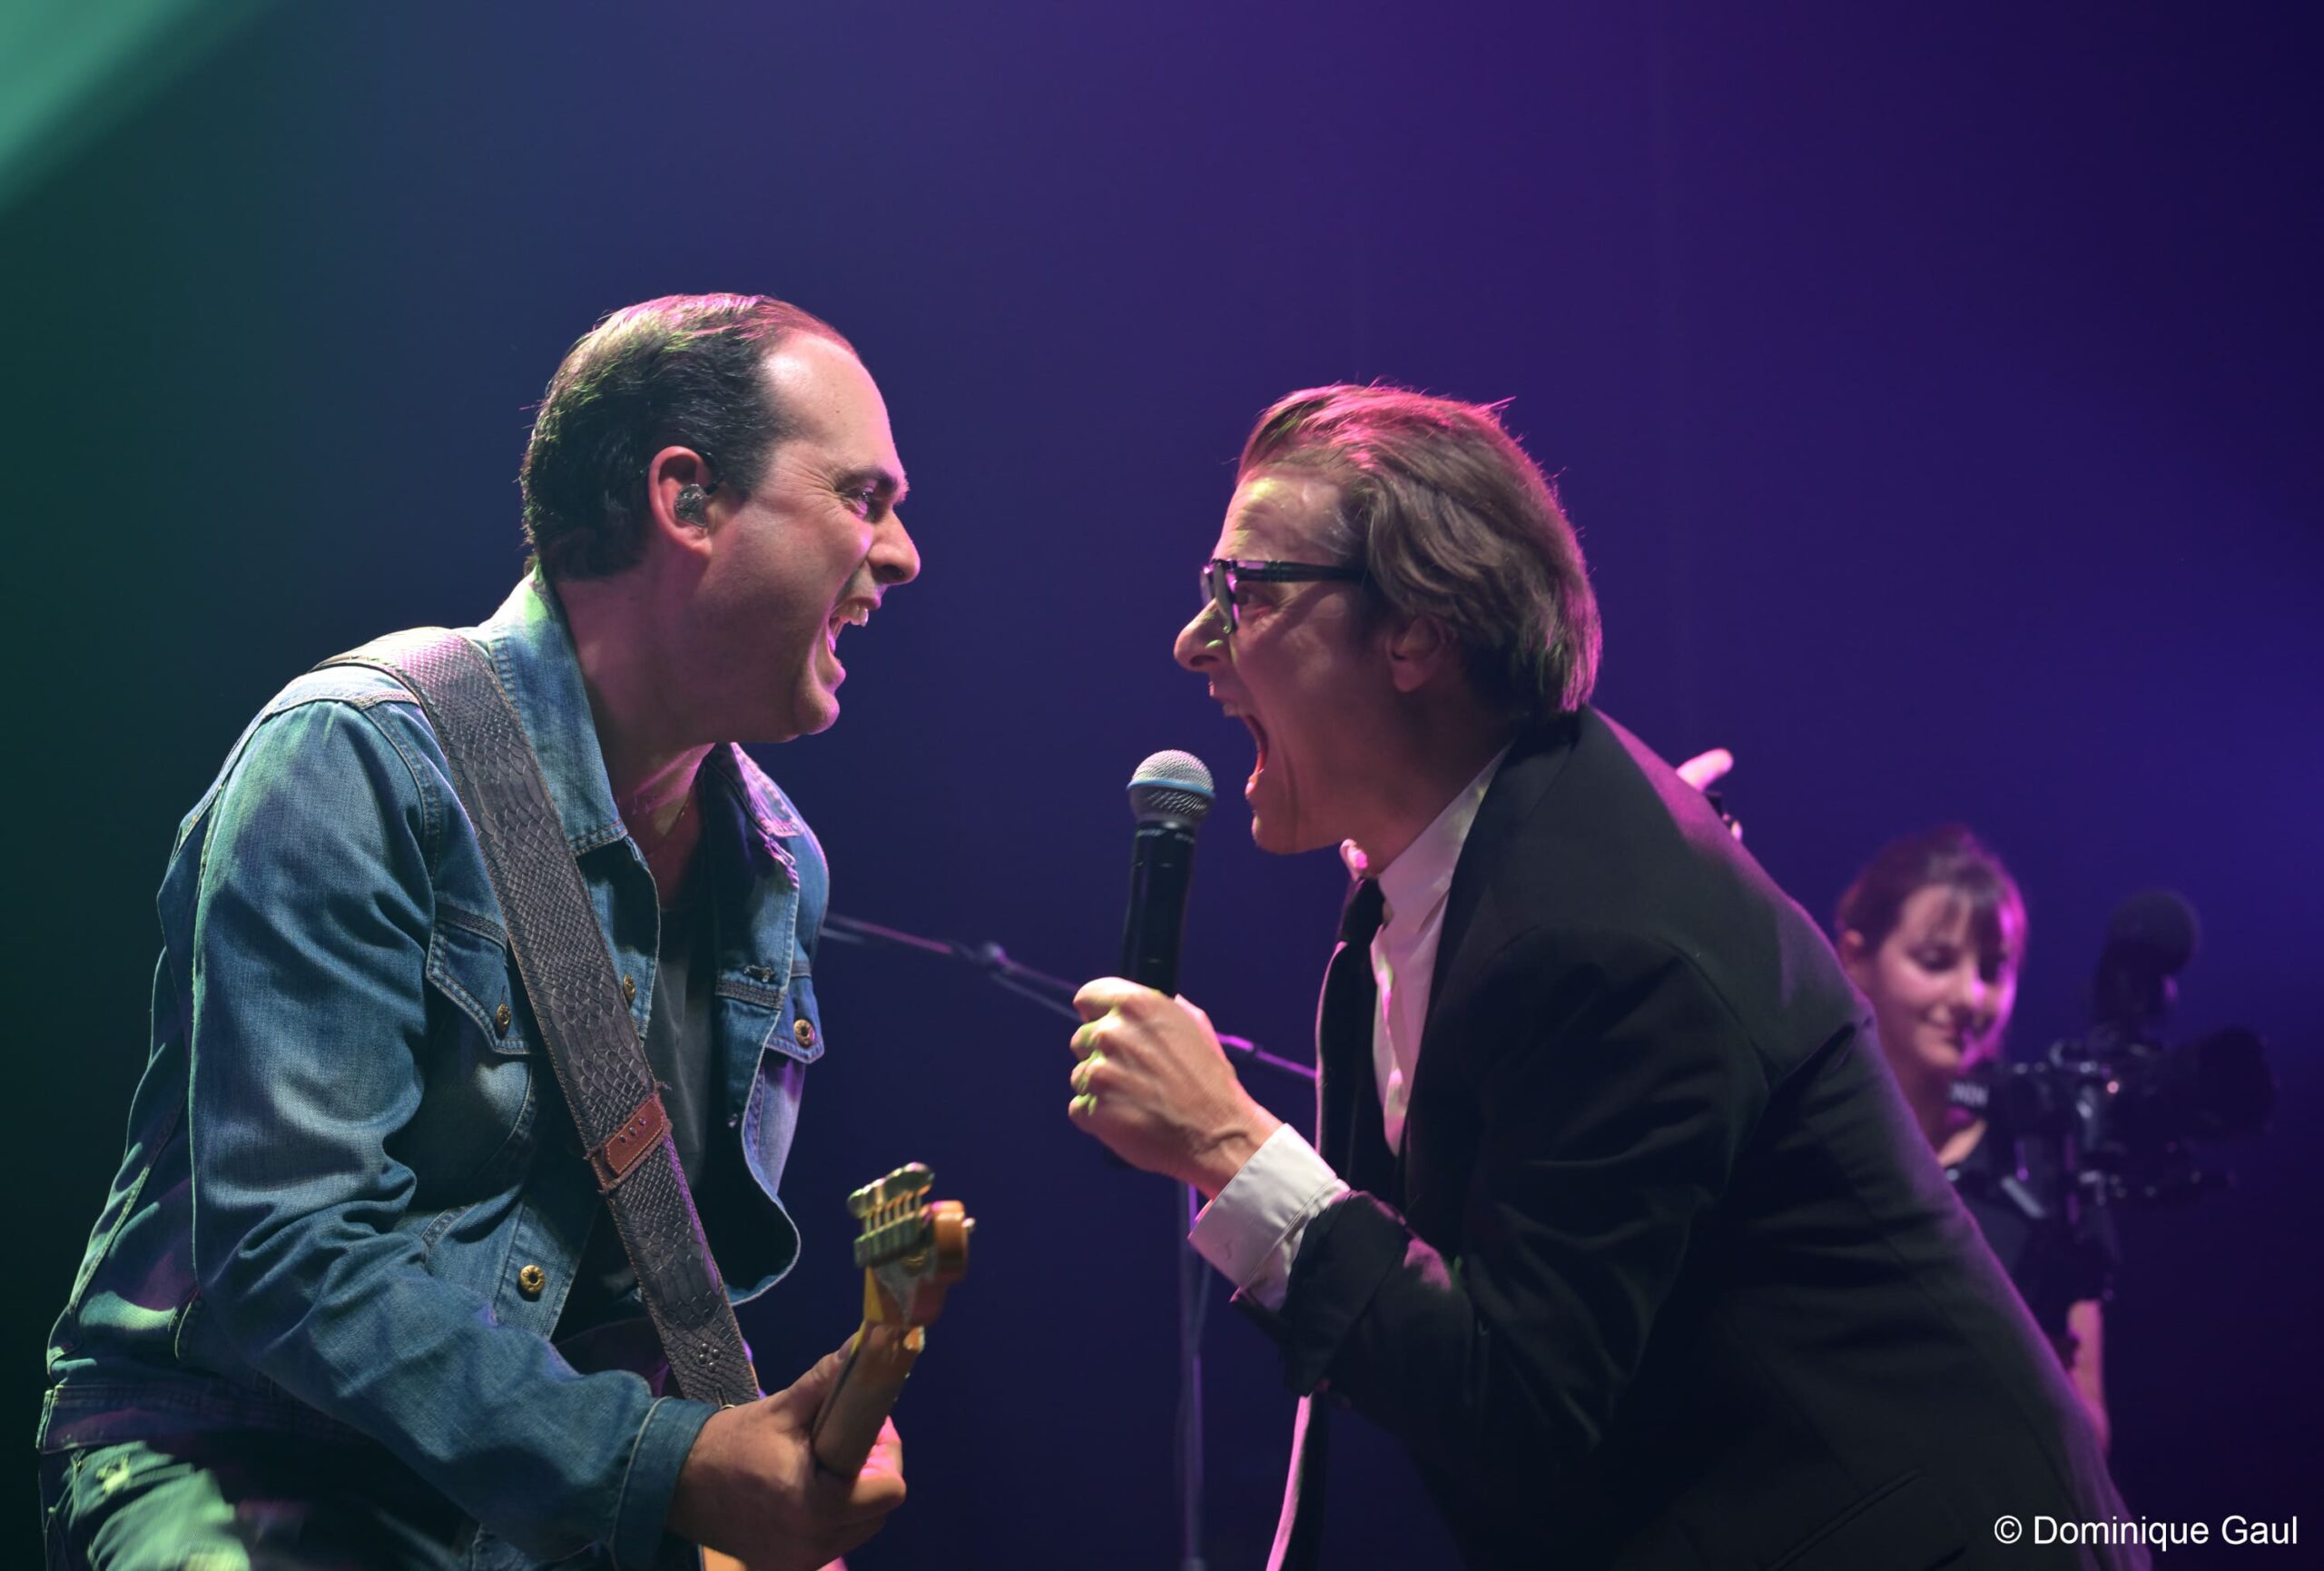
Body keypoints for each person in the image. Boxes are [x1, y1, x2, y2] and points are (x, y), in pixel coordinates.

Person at [1062, 384, 2142, 1569]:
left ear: (1413, 632)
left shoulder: (1602, 928)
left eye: (1244, 590)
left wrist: (1231, 1146)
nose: (1194, 641)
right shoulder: (1446, 883)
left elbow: (1517, 1402)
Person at [39, 294, 918, 1570]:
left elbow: (648, 1310)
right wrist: (669, 1464)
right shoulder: (355, 758)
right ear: (687, 497)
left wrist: (742, 1481)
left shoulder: (780, 866)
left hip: (528, 1517)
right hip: (252, 1463)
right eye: (862, 498)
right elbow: (290, 1252)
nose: (903, 555)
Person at [1836, 825, 2111, 1449]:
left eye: (1993, 969)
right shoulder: (1811, 1138)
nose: (1970, 996)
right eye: (1936, 961)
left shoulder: (2047, 1161)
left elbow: (2090, 1433)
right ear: (1855, 958)